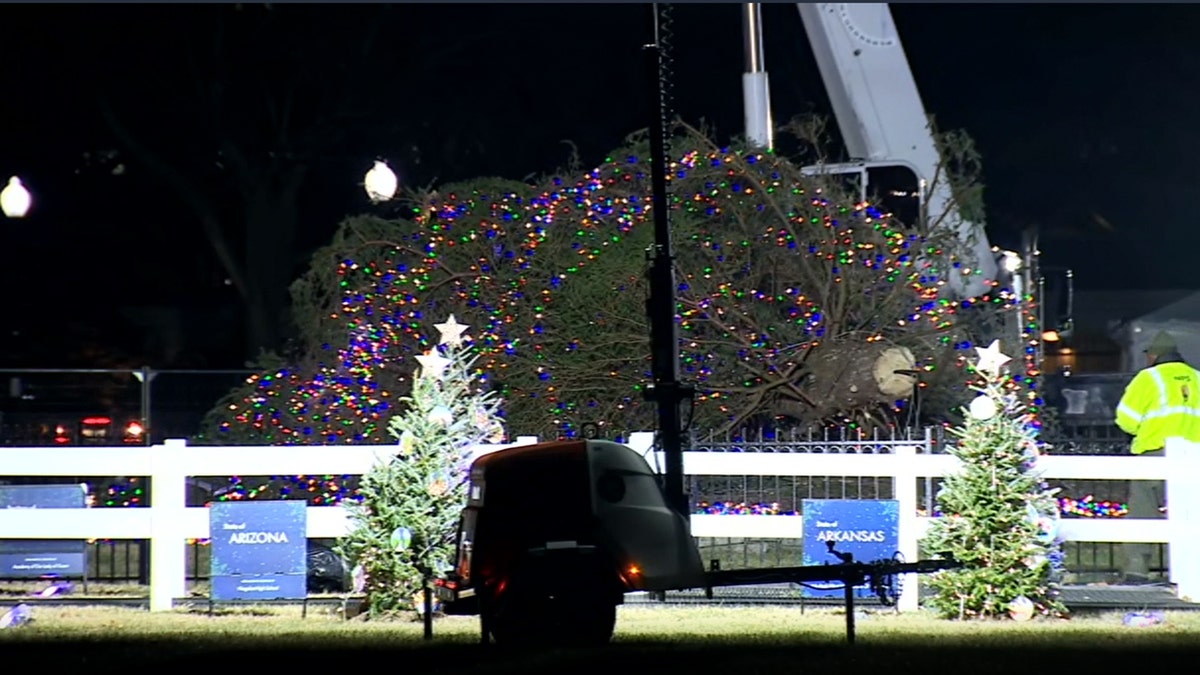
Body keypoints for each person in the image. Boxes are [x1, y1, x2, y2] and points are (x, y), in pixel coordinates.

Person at [1114, 330, 1200, 583]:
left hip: (1154, 454)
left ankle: (1136, 571)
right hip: (1194, 456)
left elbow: (1126, 420)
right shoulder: (1197, 378)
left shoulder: (1148, 378)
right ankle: (1191, 572)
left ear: (1153, 355)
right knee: (1191, 514)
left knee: (1143, 512)